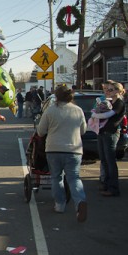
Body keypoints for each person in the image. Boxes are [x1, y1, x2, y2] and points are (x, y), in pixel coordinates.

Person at [36, 85, 88, 222]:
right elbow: (83, 130)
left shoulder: (50, 111)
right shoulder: (78, 110)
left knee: (56, 177)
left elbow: (41, 131)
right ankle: (80, 201)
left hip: (53, 148)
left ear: (56, 96)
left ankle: (59, 205)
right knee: (74, 178)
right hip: (74, 149)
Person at [92, 81, 126, 197]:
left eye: (111, 90)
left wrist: (95, 115)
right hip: (101, 132)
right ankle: (106, 184)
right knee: (104, 160)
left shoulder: (119, 103)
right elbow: (97, 111)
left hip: (111, 133)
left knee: (110, 161)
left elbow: (107, 115)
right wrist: (95, 113)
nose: (108, 91)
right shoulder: (109, 102)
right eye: (107, 89)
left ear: (119, 91)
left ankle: (113, 188)